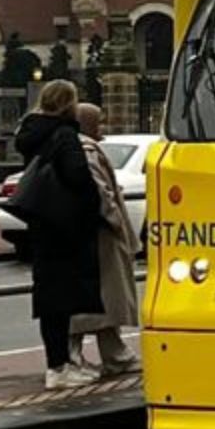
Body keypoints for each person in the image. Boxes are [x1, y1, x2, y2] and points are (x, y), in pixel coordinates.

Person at [14, 79, 106, 389]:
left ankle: (59, 364)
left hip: (42, 222)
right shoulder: (64, 134)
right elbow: (78, 175)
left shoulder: (31, 132)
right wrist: (93, 206)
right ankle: (59, 367)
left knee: (49, 296)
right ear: (69, 104)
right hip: (66, 225)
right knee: (64, 298)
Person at [69, 103, 143, 375]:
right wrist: (116, 222)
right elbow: (101, 194)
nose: (103, 128)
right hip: (99, 236)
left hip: (88, 235)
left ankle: (114, 353)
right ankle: (92, 356)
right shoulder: (87, 151)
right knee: (100, 296)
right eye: (98, 122)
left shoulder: (77, 146)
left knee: (103, 298)